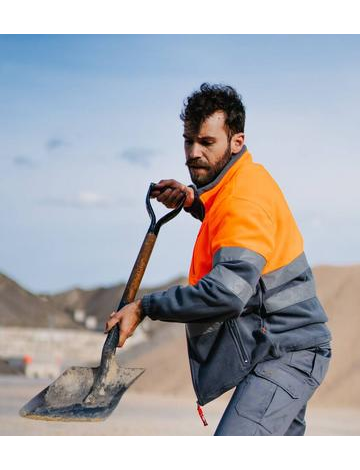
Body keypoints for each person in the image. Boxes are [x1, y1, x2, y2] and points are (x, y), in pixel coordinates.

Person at [105, 83, 332, 436]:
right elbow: (226, 222)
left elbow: (226, 294)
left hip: (287, 354)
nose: (193, 153)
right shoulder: (238, 183)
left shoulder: (244, 198)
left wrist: (146, 306)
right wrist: (192, 201)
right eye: (188, 140)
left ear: (236, 141)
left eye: (206, 143)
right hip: (282, 348)